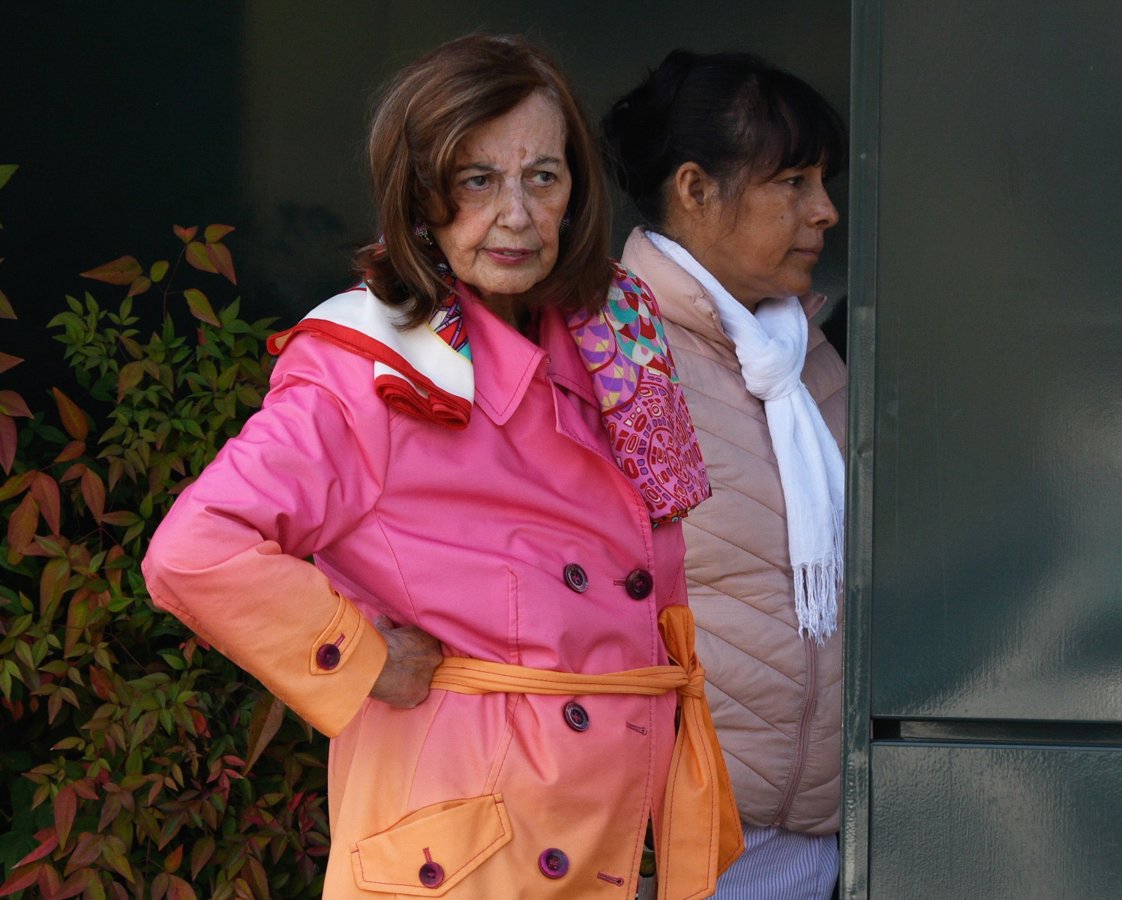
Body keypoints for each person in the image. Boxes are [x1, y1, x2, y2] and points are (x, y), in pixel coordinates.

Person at [143, 34, 741, 899]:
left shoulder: (615, 333)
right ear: (419, 193)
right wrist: (362, 658)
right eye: (476, 179)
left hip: (611, 822)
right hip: (465, 849)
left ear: (576, 190)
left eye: (543, 176)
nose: (517, 215)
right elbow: (196, 549)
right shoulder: (368, 364)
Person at [603, 50, 849, 900]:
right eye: (794, 181)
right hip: (667, 839)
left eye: (822, 182)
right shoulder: (612, 352)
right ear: (696, 189)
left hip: (807, 842)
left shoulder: (802, 354)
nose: (825, 210)